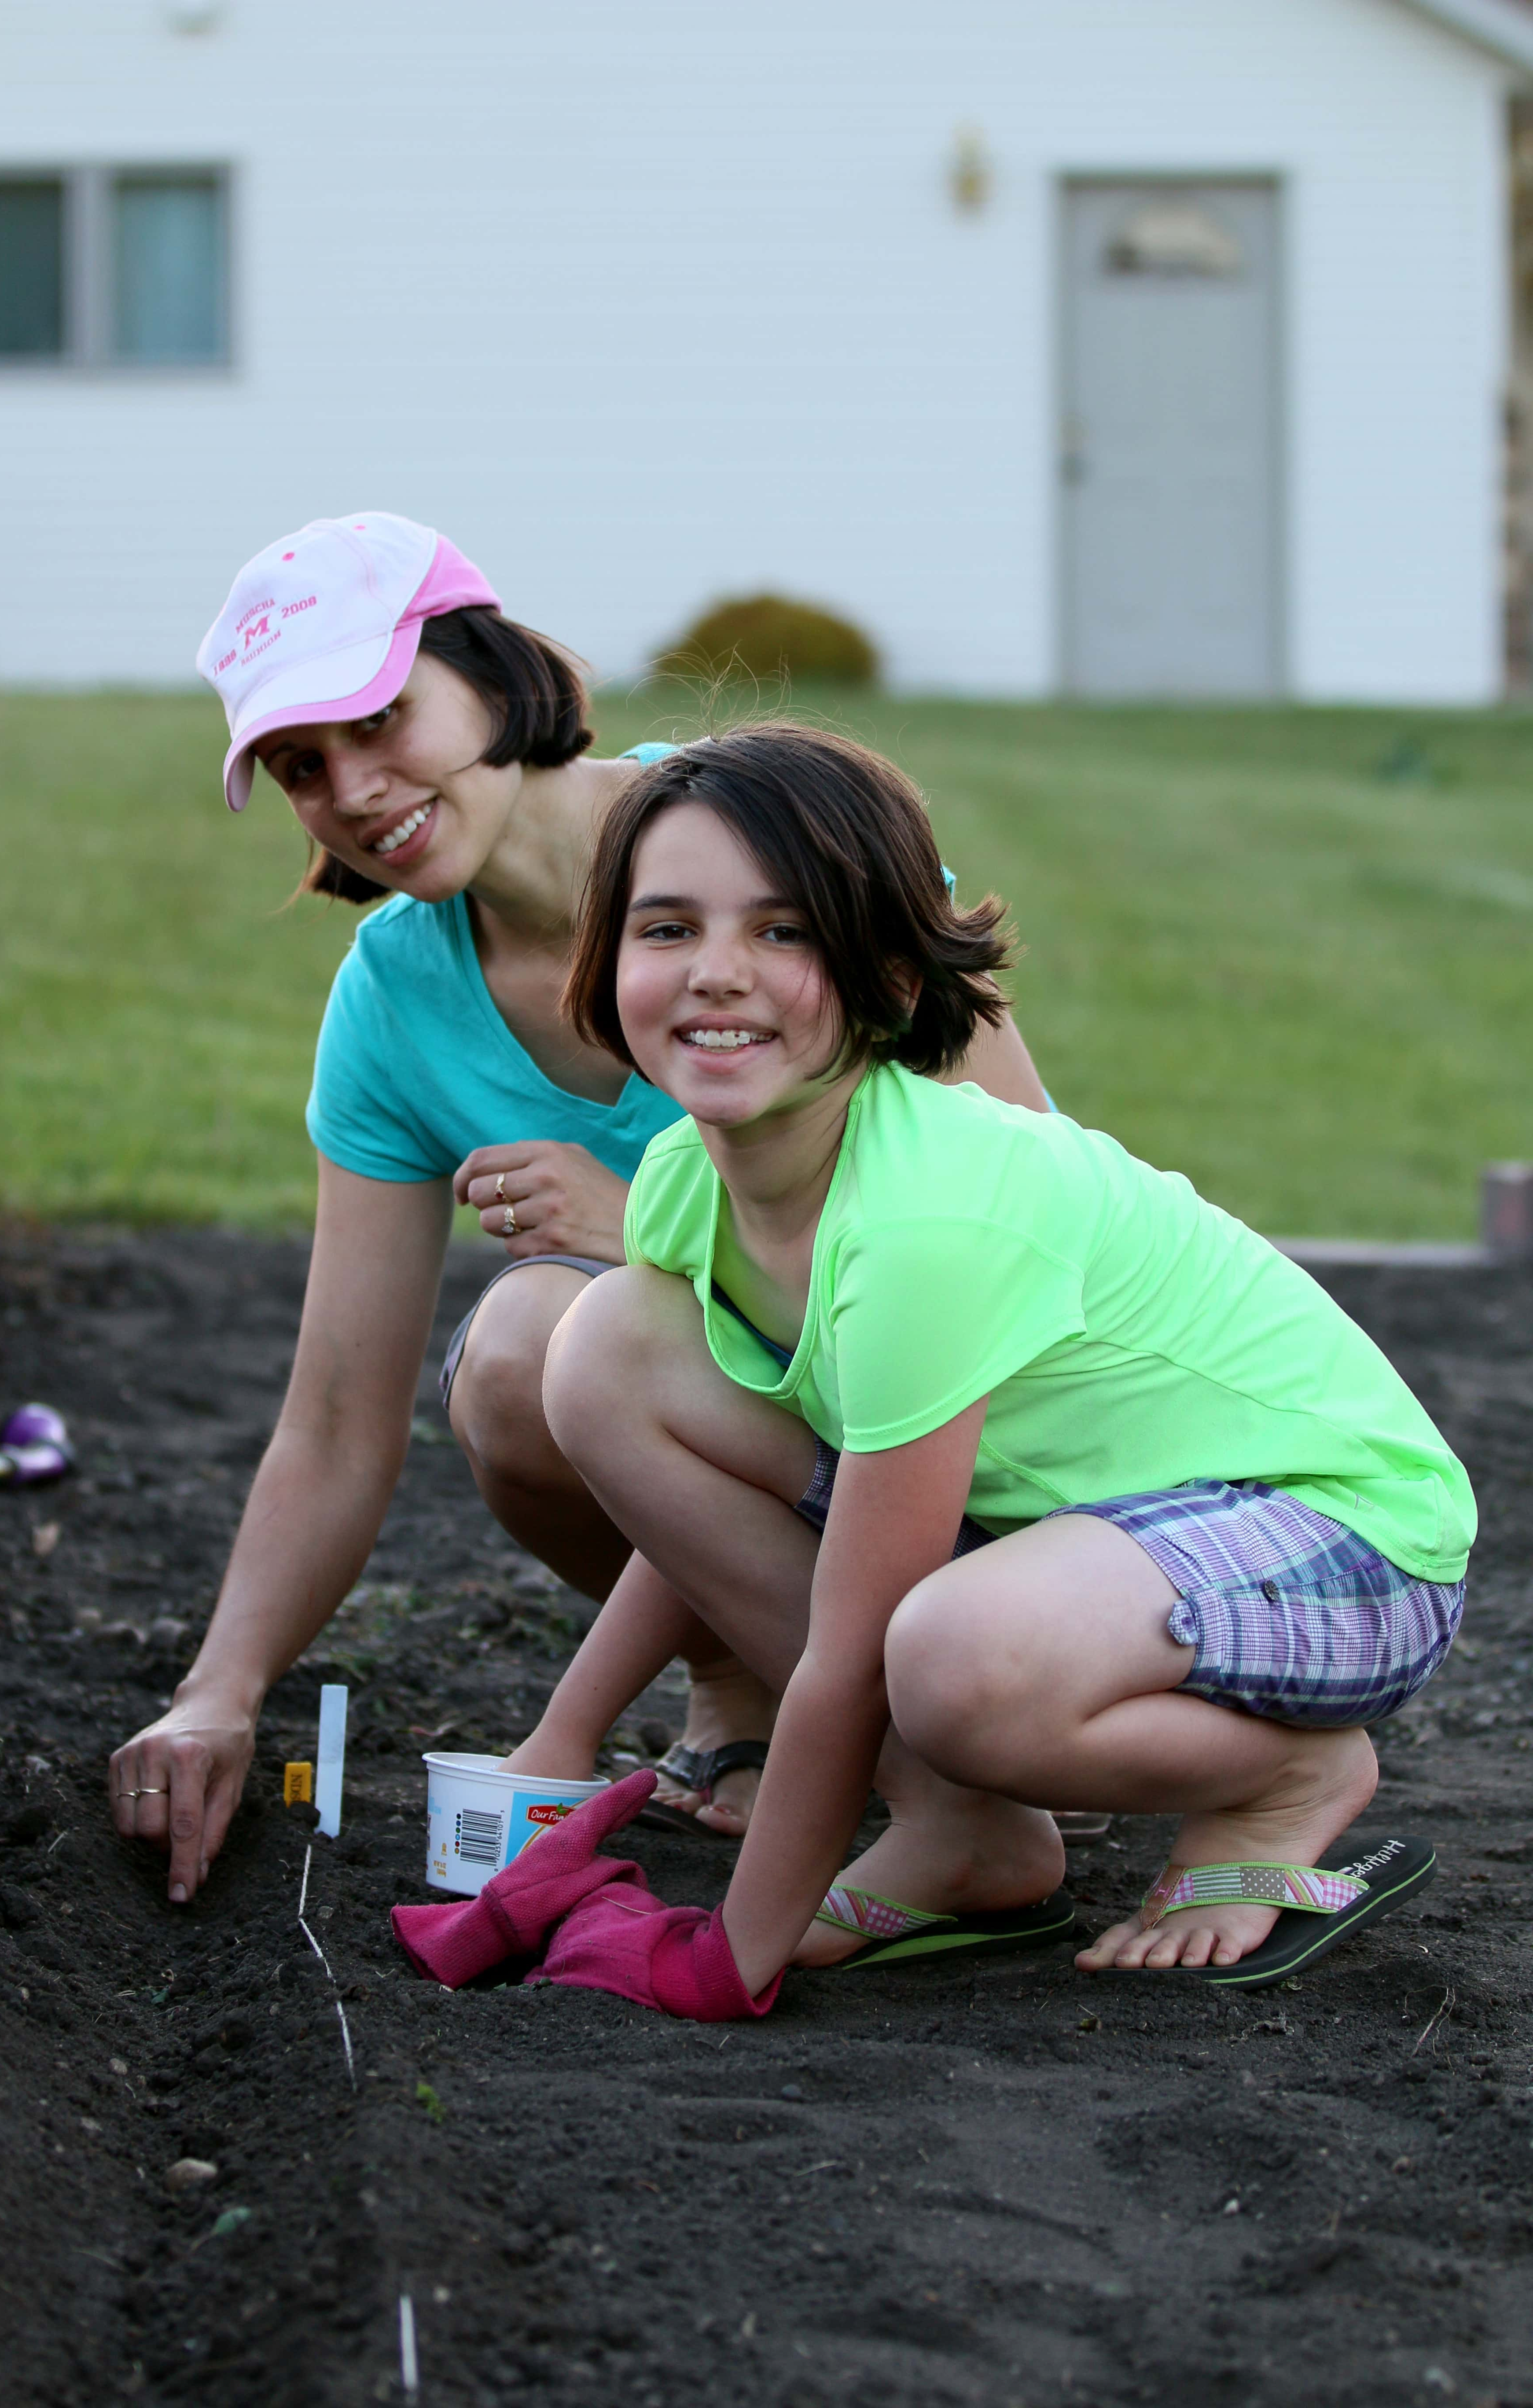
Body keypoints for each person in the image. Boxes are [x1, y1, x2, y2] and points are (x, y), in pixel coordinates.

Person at [107, 516, 1052, 1901]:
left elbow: (1036, 1204)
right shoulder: (394, 1000)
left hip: (988, 1455)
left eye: (378, 718)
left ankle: (954, 1729)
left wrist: (656, 1233)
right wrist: (221, 1691)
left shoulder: (773, 836)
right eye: (305, 769)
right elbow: (335, 1412)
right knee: (515, 1357)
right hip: (787, 1460)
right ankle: (770, 1693)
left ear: (489, 673)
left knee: (586, 1320)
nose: (354, 789)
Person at [489, 722, 1473, 2005]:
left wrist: (736, 1948)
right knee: (605, 1351)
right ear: (604, 960)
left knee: (949, 1660)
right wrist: (558, 1750)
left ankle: (1284, 1776)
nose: (716, 973)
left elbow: (851, 1644)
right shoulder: (689, 1185)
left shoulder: (926, 1220)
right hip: (1088, 1534)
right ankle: (963, 1831)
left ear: (891, 975)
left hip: (1344, 1532)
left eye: (784, 933)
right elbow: (692, 1524)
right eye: (666, 928)